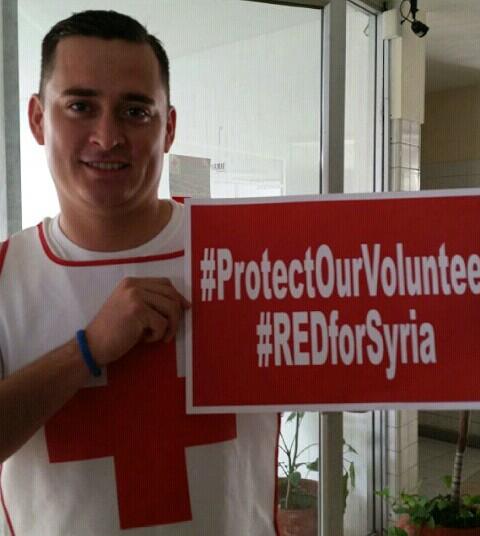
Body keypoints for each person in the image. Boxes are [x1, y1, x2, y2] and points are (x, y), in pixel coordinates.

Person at [0, 10, 278, 536]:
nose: (107, 137)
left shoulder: (249, 255)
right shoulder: (3, 275)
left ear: (168, 127)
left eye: (135, 111)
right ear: (37, 119)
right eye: (80, 106)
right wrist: (87, 350)